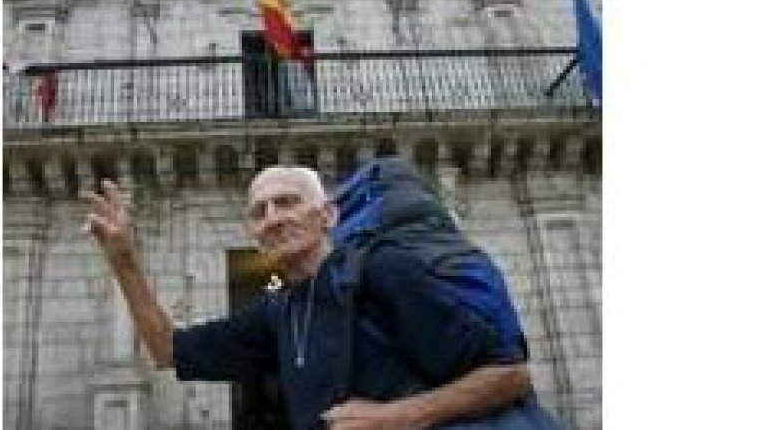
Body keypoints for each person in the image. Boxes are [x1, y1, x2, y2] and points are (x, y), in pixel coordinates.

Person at [81, 166, 533, 430]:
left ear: (328, 216)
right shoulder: (279, 313)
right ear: (253, 235)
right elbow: (166, 350)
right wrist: (124, 260)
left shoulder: (383, 268)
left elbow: (510, 375)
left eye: (287, 203)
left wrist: (393, 418)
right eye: (260, 212)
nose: (273, 219)